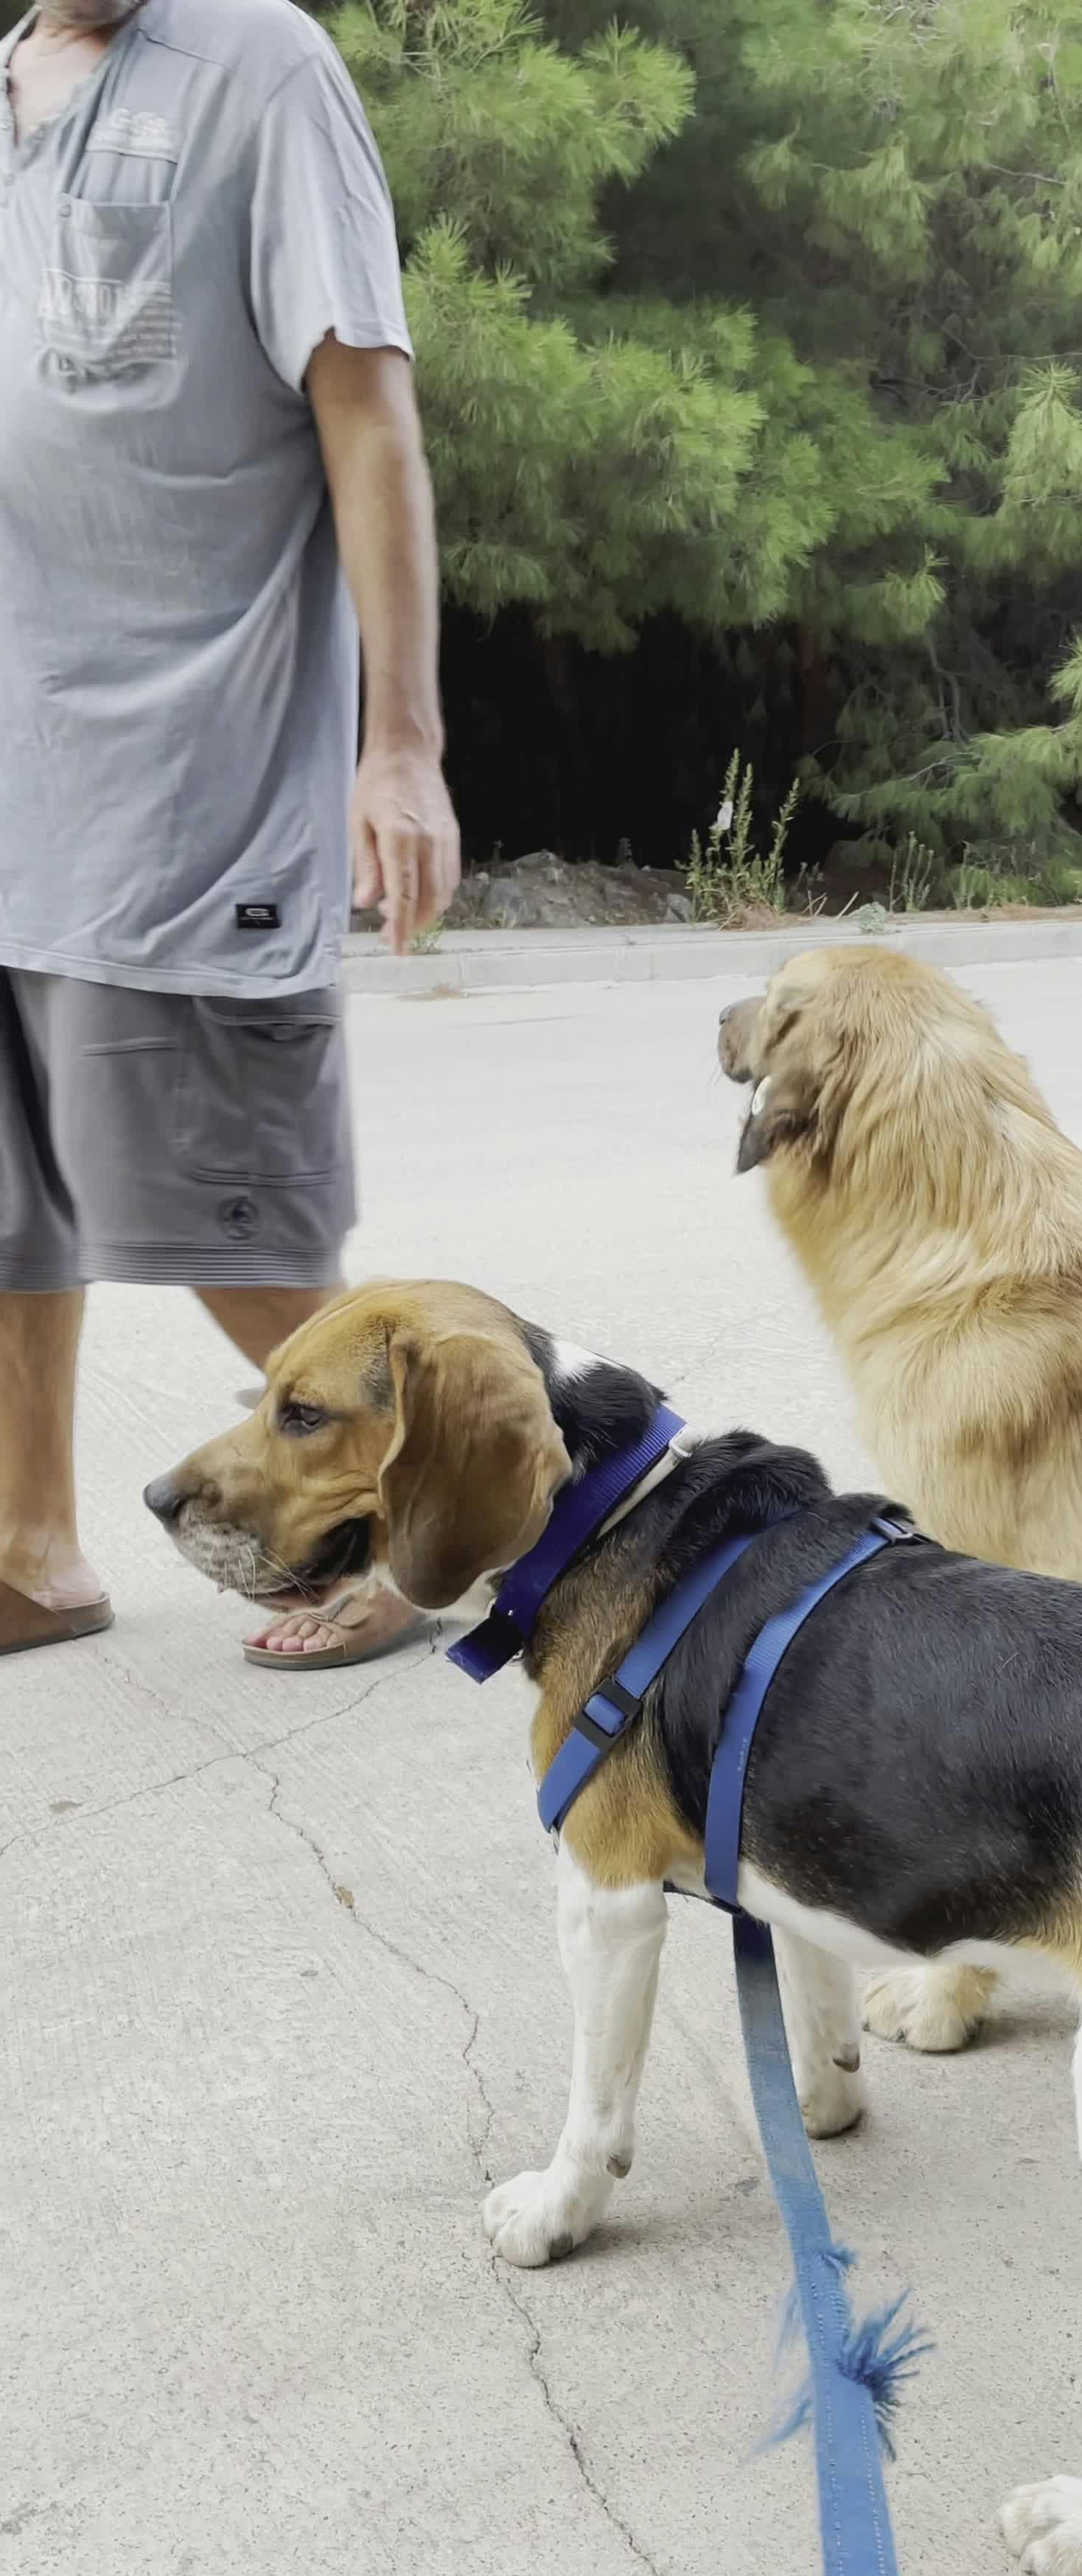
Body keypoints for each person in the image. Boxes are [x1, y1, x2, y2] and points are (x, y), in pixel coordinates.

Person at [0, 0, 460, 1666]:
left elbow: (369, 414)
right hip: (15, 777)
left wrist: (398, 745)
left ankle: (454, 1541)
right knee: (12, 1214)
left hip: (181, 786)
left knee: (225, 1217)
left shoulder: (259, 64)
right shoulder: (14, 93)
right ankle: (27, 1546)